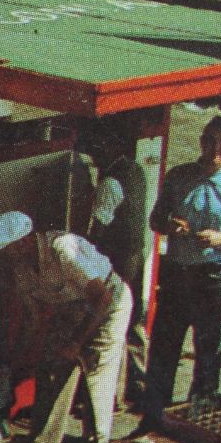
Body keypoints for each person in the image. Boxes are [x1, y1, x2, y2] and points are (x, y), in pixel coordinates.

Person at [140, 116, 221, 433]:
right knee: (164, 349)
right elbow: (155, 220)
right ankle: (153, 419)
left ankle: (196, 422)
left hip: (215, 278)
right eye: (210, 140)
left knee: (209, 354)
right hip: (178, 275)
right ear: (201, 141)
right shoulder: (179, 177)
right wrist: (169, 225)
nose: (215, 148)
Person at [0, 212, 133, 443]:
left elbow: (102, 298)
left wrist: (76, 343)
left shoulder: (63, 249)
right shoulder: (21, 269)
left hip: (108, 301)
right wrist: (24, 353)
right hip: (71, 306)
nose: (4, 257)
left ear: (23, 243)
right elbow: (36, 315)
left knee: (96, 367)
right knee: (51, 369)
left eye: (6, 250)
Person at [87, 127, 151, 405]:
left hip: (117, 259)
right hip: (137, 254)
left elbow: (98, 227)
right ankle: (138, 386)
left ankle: (110, 397)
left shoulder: (110, 183)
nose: (94, 158)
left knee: (111, 323)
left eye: (97, 152)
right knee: (134, 320)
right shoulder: (137, 171)